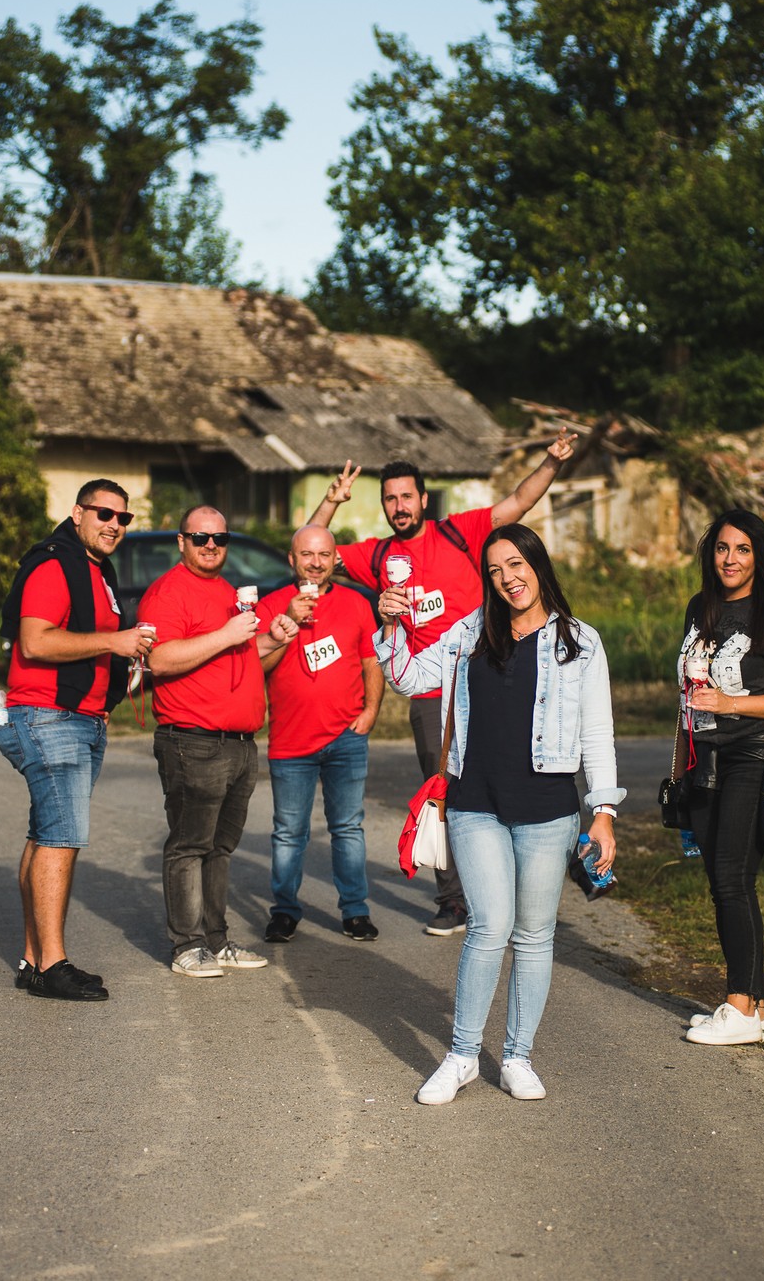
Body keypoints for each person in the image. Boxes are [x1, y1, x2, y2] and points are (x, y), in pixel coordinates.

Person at [375, 522, 624, 1104]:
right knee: (488, 928)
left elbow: (597, 732)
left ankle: (517, 1057)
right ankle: (462, 1055)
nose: (507, 578)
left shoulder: (580, 642)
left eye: (516, 564)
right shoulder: (468, 633)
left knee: (534, 935)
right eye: (494, 570)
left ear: (537, 564)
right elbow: (409, 677)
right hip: (474, 803)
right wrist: (389, 625)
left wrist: (603, 810)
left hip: (548, 808)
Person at [310, 431, 575, 936]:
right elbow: (312, 551)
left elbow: (518, 501)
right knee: (446, 794)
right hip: (432, 695)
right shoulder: (378, 553)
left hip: (493, 680)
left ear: (424, 500)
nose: (398, 505)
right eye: (390, 498)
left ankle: (518, 892)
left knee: (510, 782)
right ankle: (455, 901)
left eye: (407, 495)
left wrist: (551, 462)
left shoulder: (459, 532)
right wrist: (330, 502)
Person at [0, 479, 153, 1001]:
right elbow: (36, 641)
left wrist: (119, 660)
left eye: (122, 518)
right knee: (61, 836)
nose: (113, 524)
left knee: (46, 834)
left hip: (78, 718)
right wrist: (115, 639)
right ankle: (53, 966)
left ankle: (34, 958)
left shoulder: (94, 570)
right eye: (103, 513)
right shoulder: (54, 564)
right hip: (49, 716)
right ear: (77, 513)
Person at [140, 506, 299, 978]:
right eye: (201, 537)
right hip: (193, 738)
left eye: (220, 538)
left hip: (239, 742)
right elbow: (161, 661)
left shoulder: (228, 592)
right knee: (189, 845)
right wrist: (227, 633)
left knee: (219, 848)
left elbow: (239, 655)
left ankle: (216, 940)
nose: (212, 545)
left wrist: (274, 639)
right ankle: (187, 946)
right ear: (182, 541)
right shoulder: (167, 592)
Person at [679, 508, 764, 1046]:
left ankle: (740, 1005)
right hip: (704, 756)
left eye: (742, 549)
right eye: (721, 548)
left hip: (753, 757)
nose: (730, 559)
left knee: (733, 876)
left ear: (759, 556)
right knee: (722, 878)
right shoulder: (700, 608)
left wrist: (734, 702)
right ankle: (751, 1008)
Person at [255, 525, 384, 942]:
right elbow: (256, 670)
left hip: (346, 737)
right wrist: (288, 621)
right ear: (291, 559)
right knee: (289, 831)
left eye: (324, 555)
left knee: (347, 827)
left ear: (334, 560)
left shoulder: (355, 604)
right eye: (307, 554)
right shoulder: (271, 606)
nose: (315, 562)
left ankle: (355, 911)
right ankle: (285, 910)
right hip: (291, 741)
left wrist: (370, 711)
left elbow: (371, 662)